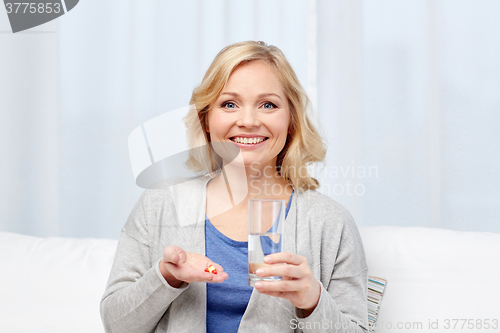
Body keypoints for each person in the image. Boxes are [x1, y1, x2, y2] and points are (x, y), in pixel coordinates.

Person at [100, 40, 368, 333]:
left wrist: (313, 301)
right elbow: (116, 325)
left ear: (291, 120)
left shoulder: (331, 223)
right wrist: (166, 277)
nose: (249, 121)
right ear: (206, 120)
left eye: (268, 105)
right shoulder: (161, 204)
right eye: (229, 104)